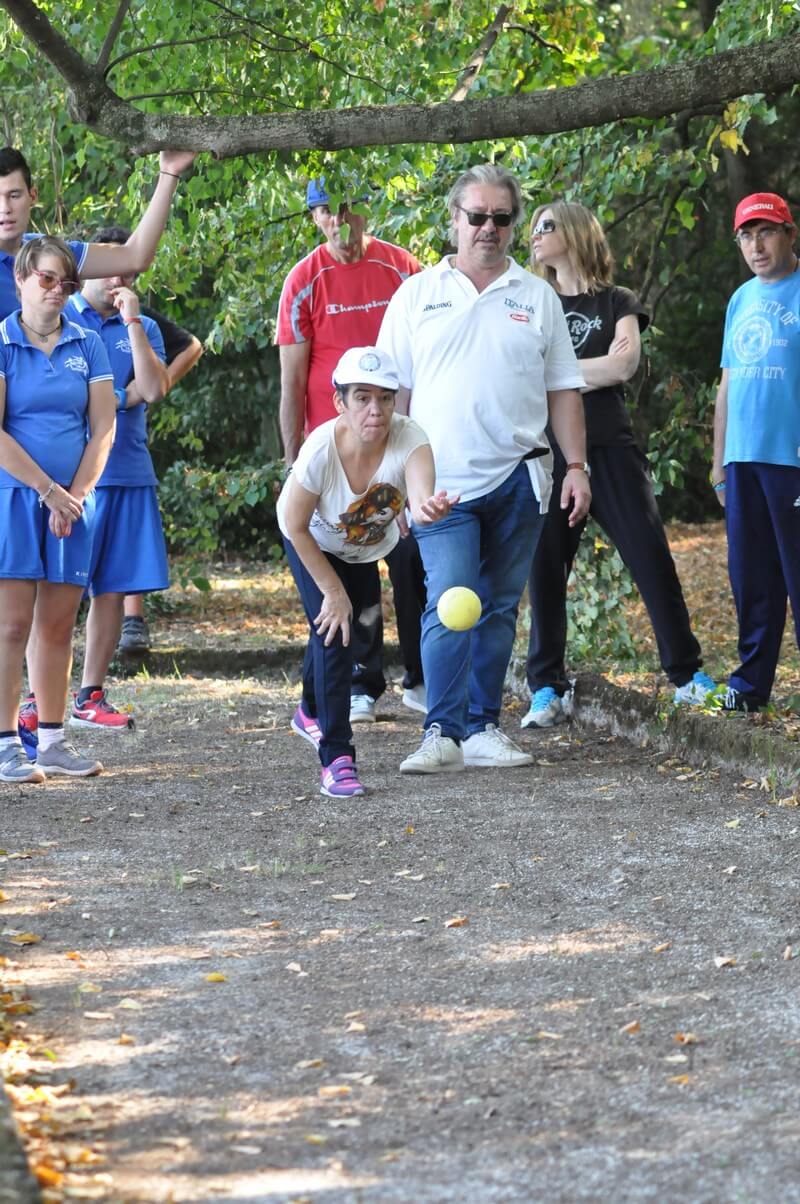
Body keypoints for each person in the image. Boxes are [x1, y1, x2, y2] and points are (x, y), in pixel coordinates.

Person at [377, 164, 591, 774]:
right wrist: (397, 486)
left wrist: (575, 465)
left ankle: (481, 729)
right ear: (454, 220)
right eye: (477, 217)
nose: (489, 229)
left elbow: (564, 392)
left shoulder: (537, 296)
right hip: (438, 482)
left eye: (502, 218)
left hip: (521, 479)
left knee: (497, 606)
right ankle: (438, 732)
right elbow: (392, 396)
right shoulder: (417, 293)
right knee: (449, 600)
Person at [522, 200, 715, 727]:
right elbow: (520, 373)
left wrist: (557, 373)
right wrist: (585, 370)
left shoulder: (616, 300)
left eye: (545, 226)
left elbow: (624, 363)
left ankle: (686, 675)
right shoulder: (531, 302)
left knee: (651, 556)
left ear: (577, 232)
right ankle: (546, 687)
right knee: (545, 571)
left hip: (610, 448)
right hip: (549, 453)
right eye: (533, 228)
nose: (533, 236)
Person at [276, 178, 427, 724]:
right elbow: (292, 384)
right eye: (325, 212)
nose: (339, 221)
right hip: (332, 458)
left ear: (366, 209)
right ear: (314, 218)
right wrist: (292, 461)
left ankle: (420, 675)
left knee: (412, 557)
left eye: (347, 209)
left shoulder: (403, 268)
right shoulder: (303, 280)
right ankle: (361, 682)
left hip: (396, 447)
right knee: (345, 579)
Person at [276, 346, 455, 797]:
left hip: (361, 549)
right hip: (311, 541)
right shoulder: (319, 451)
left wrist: (425, 507)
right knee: (337, 633)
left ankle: (309, 709)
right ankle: (337, 758)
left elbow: (418, 493)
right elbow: (294, 524)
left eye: (384, 398)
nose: (375, 409)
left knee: (333, 629)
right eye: (361, 397)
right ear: (340, 402)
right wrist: (332, 592)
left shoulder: (411, 438)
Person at [0, 237, 115, 783]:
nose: (55, 291)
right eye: (45, 279)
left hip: (72, 504)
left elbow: (104, 429)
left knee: (57, 624)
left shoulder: (89, 343)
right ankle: (4, 745)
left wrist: (77, 497)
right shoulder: (0, 341)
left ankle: (50, 742)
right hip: (16, 499)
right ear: (22, 278)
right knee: (10, 626)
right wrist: (47, 491)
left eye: (65, 283)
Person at [711, 191, 800, 712]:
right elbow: (726, 386)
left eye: (766, 232)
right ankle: (750, 687)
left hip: (791, 459)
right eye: (746, 235)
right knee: (751, 578)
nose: (756, 245)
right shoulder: (741, 299)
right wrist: (719, 460)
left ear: (790, 234)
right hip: (744, 460)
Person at [0, 146, 197, 321]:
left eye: (14, 195)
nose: (5, 207)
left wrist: (169, 172)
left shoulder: (45, 250)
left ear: (32, 196)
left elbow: (136, 257)